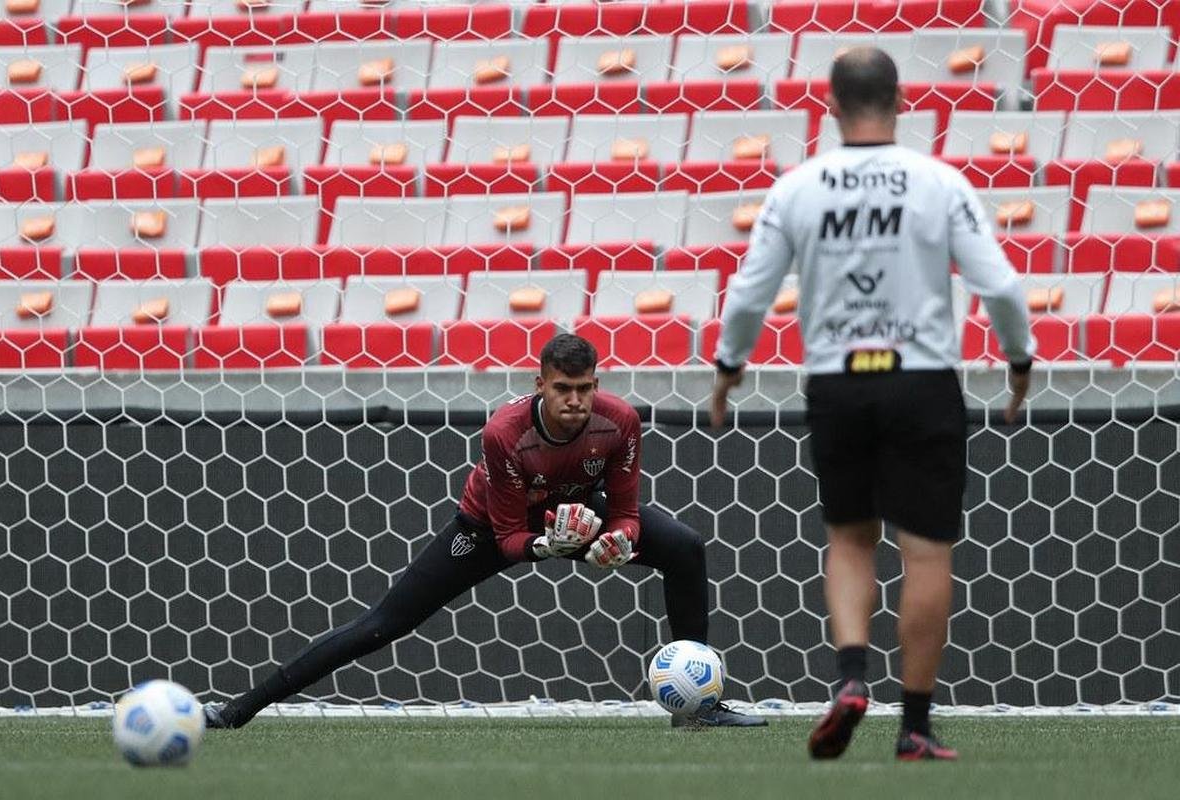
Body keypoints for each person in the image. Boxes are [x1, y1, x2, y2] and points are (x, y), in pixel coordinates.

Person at [709, 48, 1036, 760]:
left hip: (837, 382)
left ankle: (850, 677)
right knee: (923, 552)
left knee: (850, 537)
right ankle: (914, 726)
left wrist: (727, 372)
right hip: (920, 380)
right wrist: (1018, 363)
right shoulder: (938, 181)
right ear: (899, 101)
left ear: (830, 107)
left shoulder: (797, 187)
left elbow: (747, 294)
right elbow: (1004, 290)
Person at [206, 334, 765, 729]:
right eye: (564, 388)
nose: (575, 401)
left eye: (586, 388)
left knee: (685, 549)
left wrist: (618, 538)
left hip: (579, 514)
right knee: (383, 625)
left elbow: (623, 509)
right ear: (539, 383)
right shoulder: (504, 433)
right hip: (493, 527)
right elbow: (506, 536)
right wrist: (549, 545)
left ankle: (700, 707)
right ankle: (238, 711)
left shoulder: (619, 421)